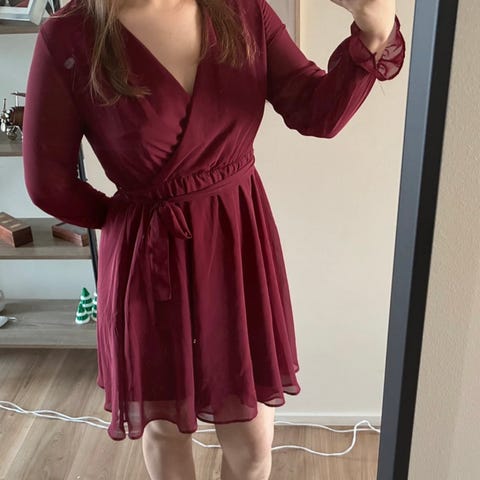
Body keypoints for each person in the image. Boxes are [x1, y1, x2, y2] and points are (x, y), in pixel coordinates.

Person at [22, 0, 405, 478]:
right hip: (149, 258)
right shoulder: (69, 36)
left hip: (237, 248)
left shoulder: (243, 10)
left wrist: (374, 32)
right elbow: (47, 182)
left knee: (251, 438)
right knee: (165, 429)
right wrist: (127, 222)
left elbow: (317, 111)